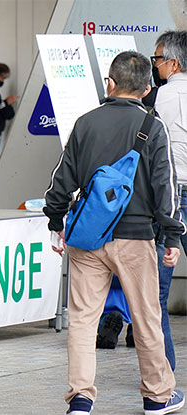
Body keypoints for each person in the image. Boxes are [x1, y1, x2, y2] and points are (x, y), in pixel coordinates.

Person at [44, 51, 185, 415]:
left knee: (82, 319)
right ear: (148, 88)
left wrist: (55, 220)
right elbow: (164, 186)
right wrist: (171, 236)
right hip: (136, 238)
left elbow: (62, 179)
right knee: (146, 316)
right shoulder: (154, 127)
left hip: (88, 238)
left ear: (110, 83)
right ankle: (156, 396)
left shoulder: (86, 123)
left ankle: (80, 398)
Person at [151, 29, 187, 372]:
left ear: (173, 63)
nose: (155, 65)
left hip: (172, 198)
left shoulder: (159, 99)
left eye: (158, 59)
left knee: (158, 296)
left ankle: (164, 374)